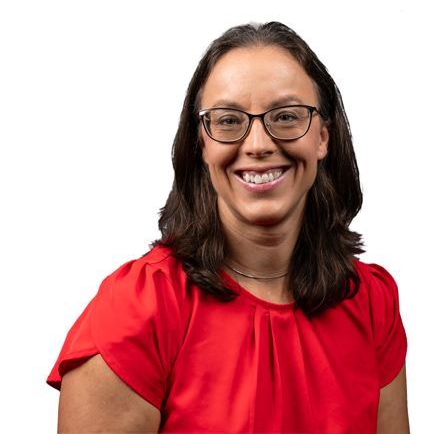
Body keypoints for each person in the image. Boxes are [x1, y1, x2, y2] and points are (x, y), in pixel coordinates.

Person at [47, 22, 408, 433]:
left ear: (323, 137)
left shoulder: (371, 302)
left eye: (287, 116)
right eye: (229, 120)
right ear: (202, 142)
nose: (257, 145)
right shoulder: (138, 309)